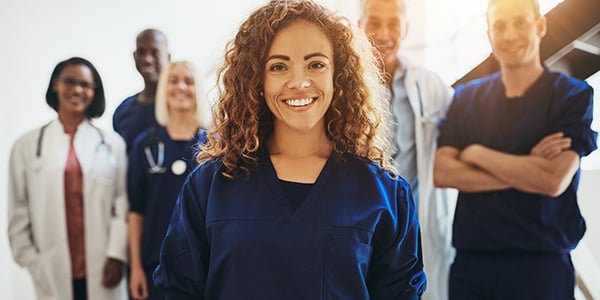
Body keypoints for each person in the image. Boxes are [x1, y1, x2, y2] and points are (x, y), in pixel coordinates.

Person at [153, 0, 426, 299]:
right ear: (257, 79)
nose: (299, 81)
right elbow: (177, 289)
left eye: (316, 64)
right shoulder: (210, 187)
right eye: (279, 66)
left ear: (339, 76)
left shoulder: (384, 195)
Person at [433, 0, 597, 298]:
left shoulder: (572, 95)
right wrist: (528, 169)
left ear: (541, 26)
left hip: (541, 267)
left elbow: (552, 180)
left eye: (520, 22)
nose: (509, 35)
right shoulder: (466, 98)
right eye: (499, 26)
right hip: (473, 268)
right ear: (489, 34)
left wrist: (477, 155)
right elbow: (442, 171)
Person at [8, 57, 128, 300]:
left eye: (86, 85)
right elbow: (18, 210)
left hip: (104, 268)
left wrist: (116, 255)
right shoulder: (27, 145)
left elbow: (121, 203)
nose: (77, 90)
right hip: (51, 270)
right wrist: (33, 262)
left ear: (95, 92)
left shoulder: (112, 144)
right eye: (70, 82)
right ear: (55, 85)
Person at [358, 1, 454, 299]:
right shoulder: (339, 85)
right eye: (374, 22)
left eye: (394, 24)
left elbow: (463, 136)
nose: (384, 33)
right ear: (360, 24)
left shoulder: (430, 85)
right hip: (361, 226)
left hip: (416, 230)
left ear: (406, 29)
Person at [127, 61, 209, 300]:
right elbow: (135, 210)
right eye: (173, 80)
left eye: (189, 81)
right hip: (153, 263)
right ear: (163, 88)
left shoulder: (213, 147)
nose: (181, 87)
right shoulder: (145, 145)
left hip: (201, 265)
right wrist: (135, 268)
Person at [113, 28, 171, 150]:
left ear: (168, 57)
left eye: (155, 52)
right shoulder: (123, 111)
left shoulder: (181, 107)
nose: (147, 59)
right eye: (141, 52)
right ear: (134, 56)